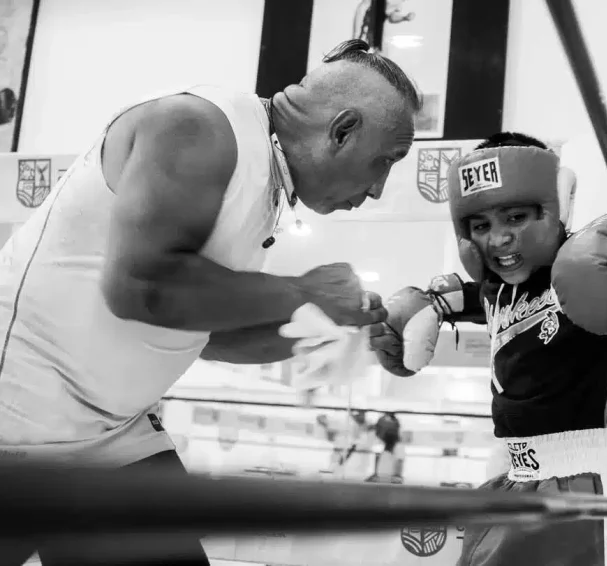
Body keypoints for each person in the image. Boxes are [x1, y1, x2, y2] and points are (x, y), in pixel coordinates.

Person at [0, 39, 419, 565]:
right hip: (17, 421)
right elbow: (143, 286)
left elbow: (202, 335)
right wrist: (306, 293)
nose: (378, 188)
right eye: (385, 160)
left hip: (111, 437)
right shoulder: (199, 127)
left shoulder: (263, 179)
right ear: (342, 130)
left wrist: (321, 328)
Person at [369, 132, 607, 566]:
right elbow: (466, 297)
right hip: (514, 479)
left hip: (597, 484)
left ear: (553, 204)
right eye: (481, 226)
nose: (499, 240)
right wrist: (429, 304)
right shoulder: (494, 289)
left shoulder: (599, 259)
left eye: (516, 217)